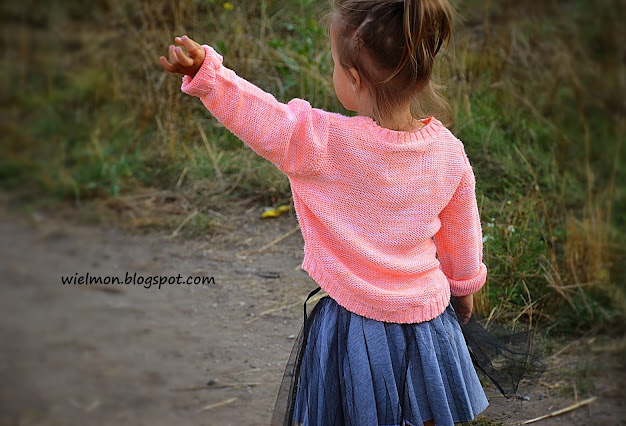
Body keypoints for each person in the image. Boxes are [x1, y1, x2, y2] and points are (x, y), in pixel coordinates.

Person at [160, 0, 490, 424]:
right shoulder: (449, 153)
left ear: (353, 78)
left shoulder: (323, 142)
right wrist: (463, 292)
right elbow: (462, 240)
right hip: (428, 323)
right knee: (425, 413)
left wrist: (210, 76)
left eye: (334, 63)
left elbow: (263, 118)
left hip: (355, 330)